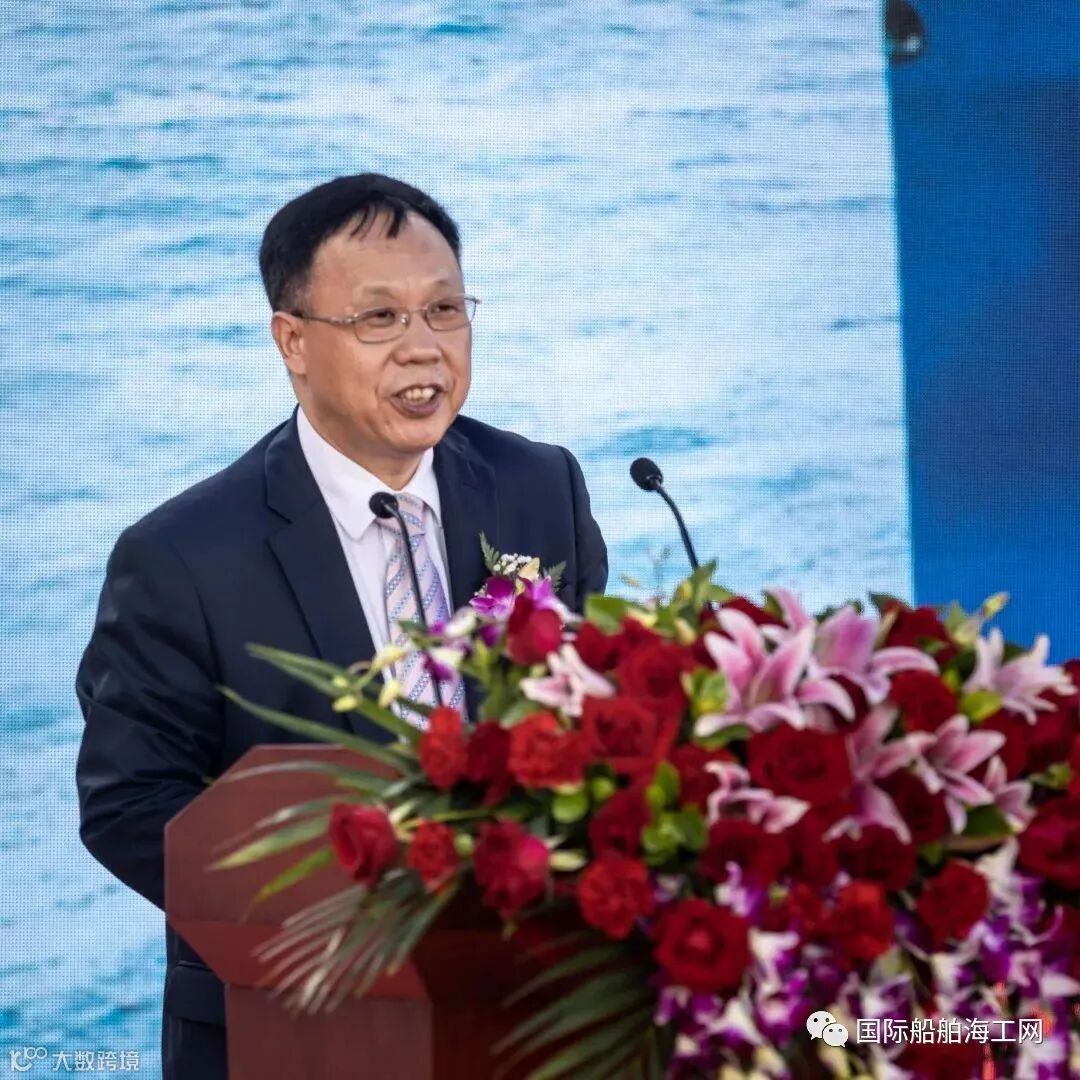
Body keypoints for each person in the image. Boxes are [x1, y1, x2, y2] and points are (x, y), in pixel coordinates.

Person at [74, 173, 608, 1080]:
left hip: (526, 1009)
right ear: (292, 340)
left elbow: (591, 706)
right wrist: (357, 930)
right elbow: (131, 804)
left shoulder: (538, 487)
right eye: (379, 318)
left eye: (445, 310)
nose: (423, 347)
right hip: (297, 1022)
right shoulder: (182, 556)